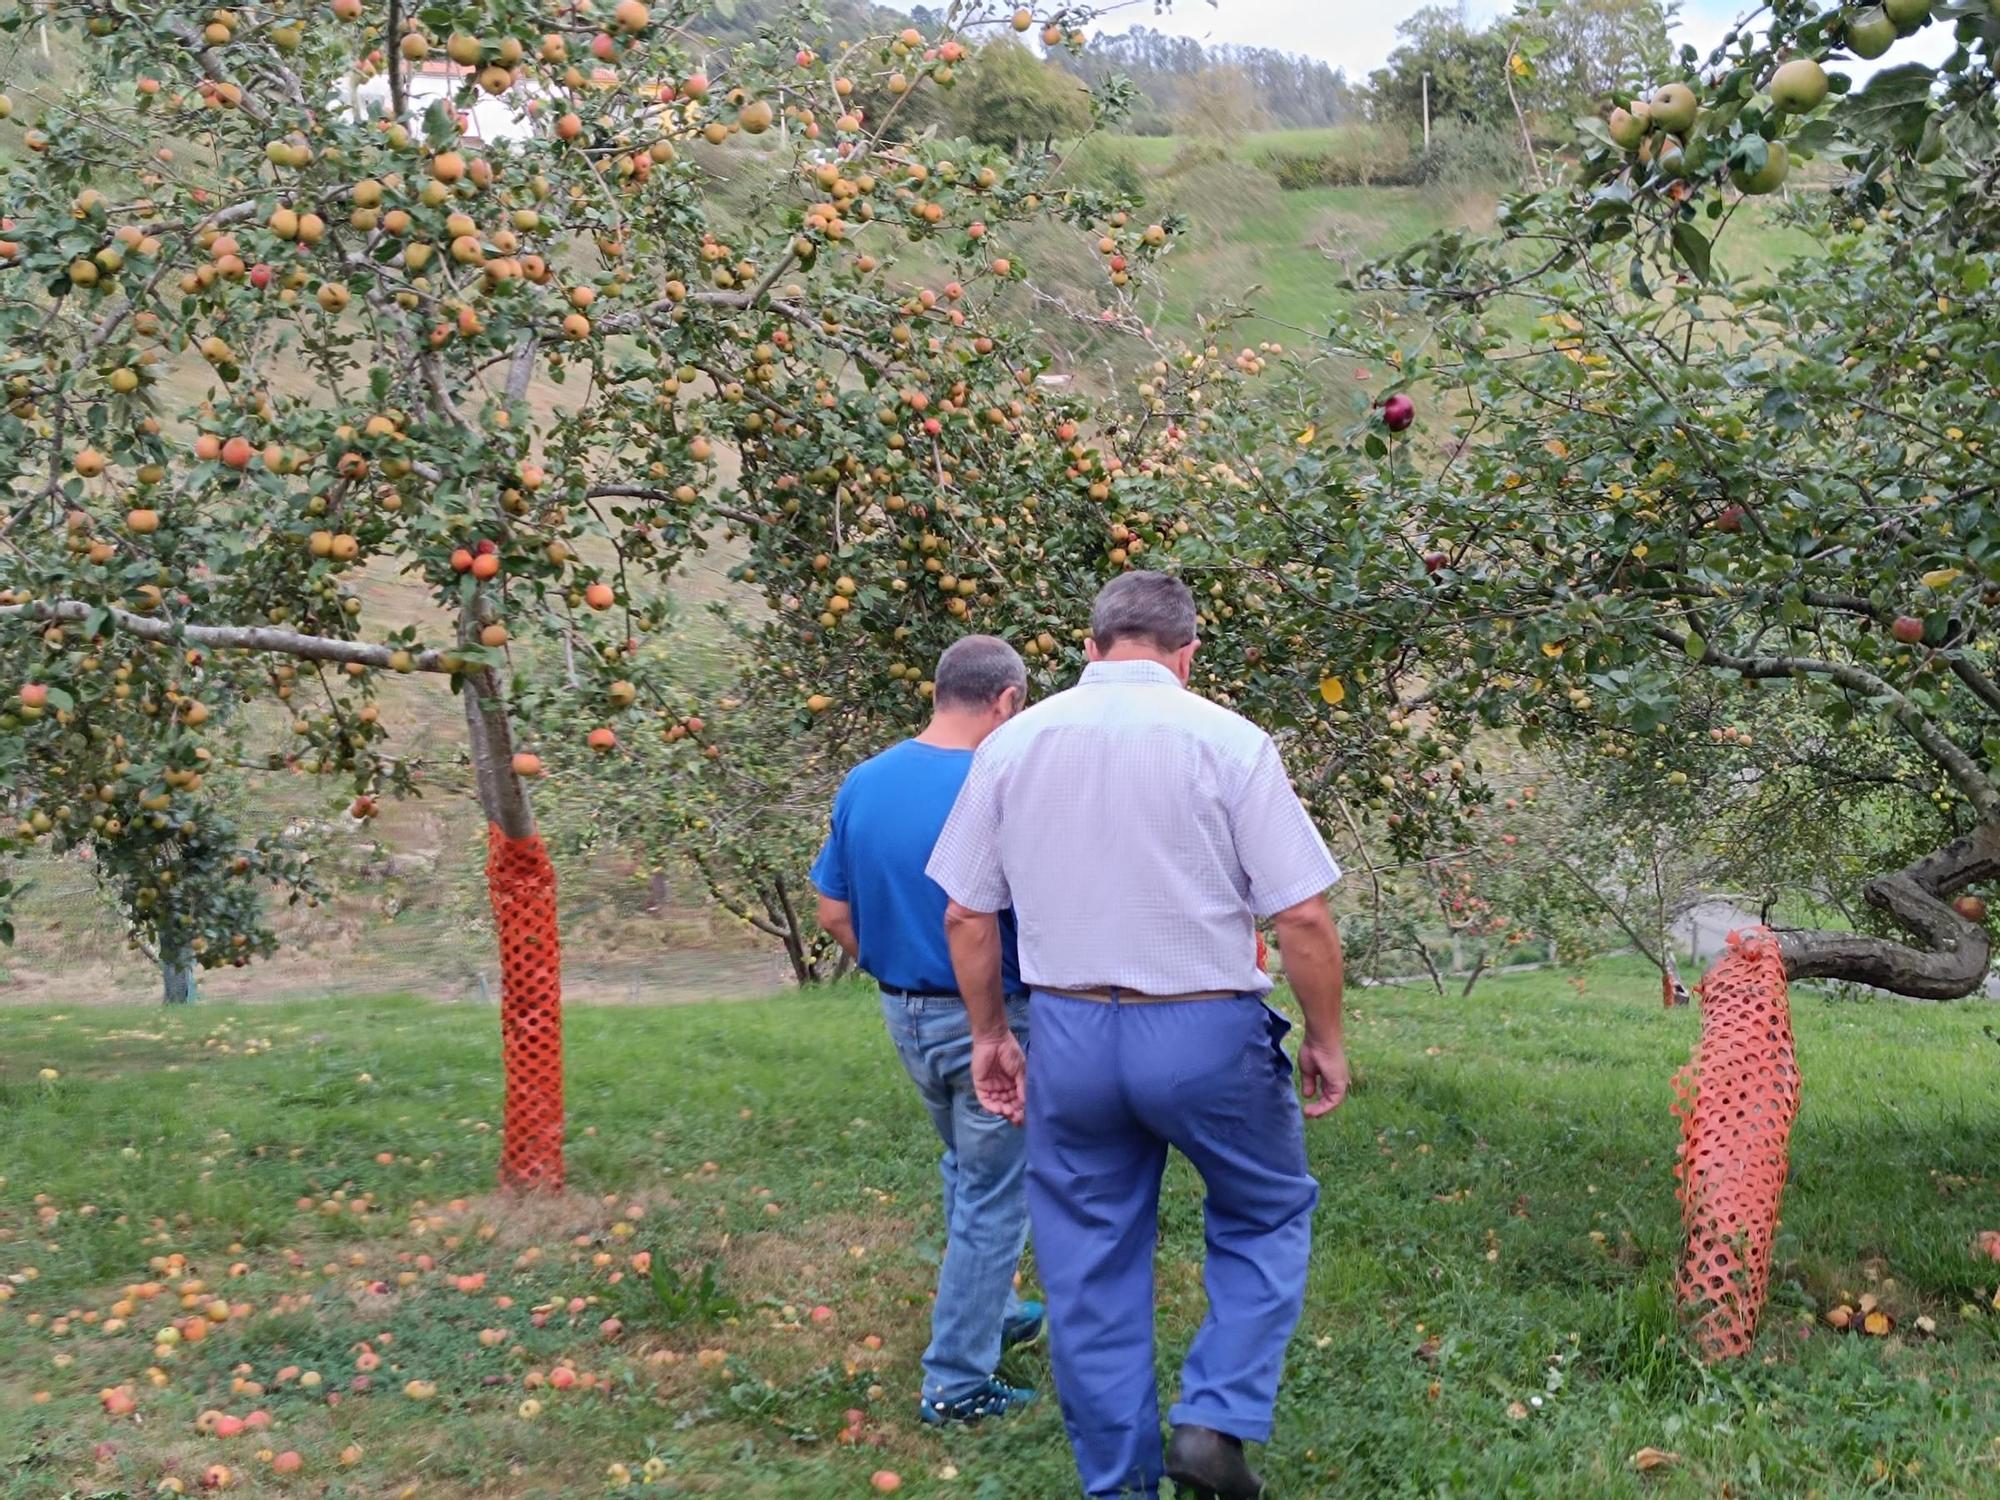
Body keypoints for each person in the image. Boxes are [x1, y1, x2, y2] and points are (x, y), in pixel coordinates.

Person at [927, 572, 1348, 1500]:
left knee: (1087, 1263)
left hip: (1072, 1030)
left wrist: (993, 1033)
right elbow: (1304, 918)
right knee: (1265, 1210)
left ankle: (1117, 1487)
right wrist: (1325, 1036)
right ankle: (1214, 1418)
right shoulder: (1229, 741)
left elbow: (964, 912)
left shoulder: (1013, 744)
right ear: (1187, 655)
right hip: (1206, 1029)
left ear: (1090, 646)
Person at [811, 634, 1045, 1428]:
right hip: (989, 1017)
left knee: (962, 1163)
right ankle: (957, 1380)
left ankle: (996, 1308)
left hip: (903, 1009)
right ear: (1006, 701)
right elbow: (983, 912)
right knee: (993, 1192)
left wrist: (895, 972)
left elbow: (833, 910)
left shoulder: (865, 781)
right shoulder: (1002, 780)